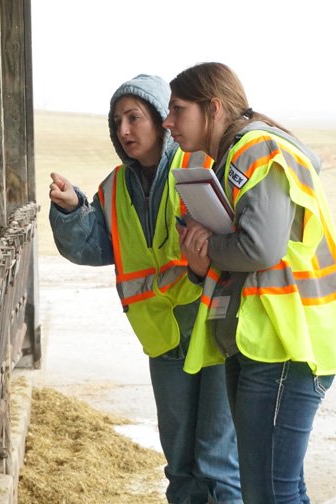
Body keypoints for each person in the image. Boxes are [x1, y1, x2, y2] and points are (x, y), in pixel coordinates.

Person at [163, 62, 336, 504]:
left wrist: (209, 245)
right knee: (275, 488)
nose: (168, 122)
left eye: (178, 109)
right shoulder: (232, 155)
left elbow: (259, 249)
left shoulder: (256, 149)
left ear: (212, 108)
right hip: (262, 343)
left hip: (285, 346)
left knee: (270, 492)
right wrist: (201, 257)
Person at [48, 73, 243, 504]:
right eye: (117, 121)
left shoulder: (202, 167)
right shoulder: (114, 186)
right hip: (162, 339)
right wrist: (72, 209)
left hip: (212, 332)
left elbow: (240, 245)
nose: (124, 130)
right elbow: (95, 247)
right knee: (179, 467)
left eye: (134, 118)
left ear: (160, 120)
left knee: (217, 464)